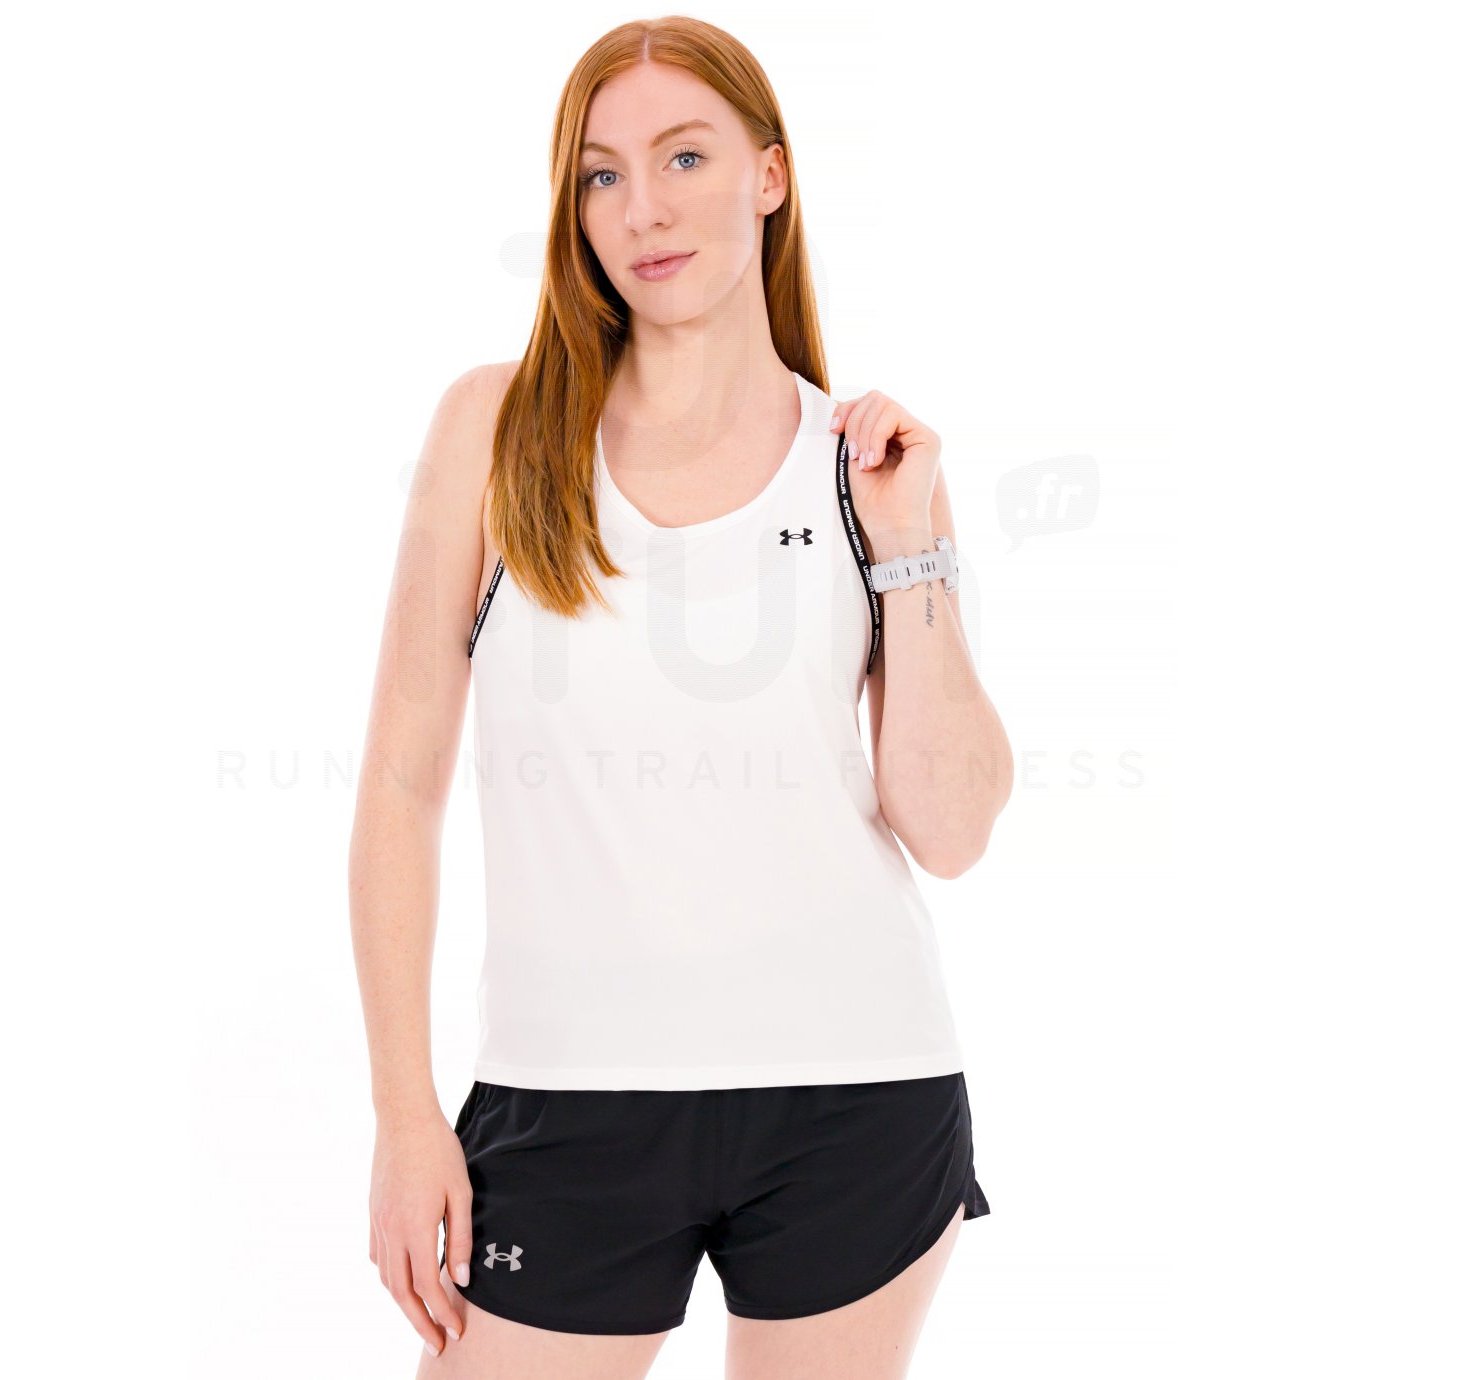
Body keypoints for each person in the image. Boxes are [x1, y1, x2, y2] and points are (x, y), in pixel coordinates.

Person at [351, 16, 1015, 1377]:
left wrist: (910, 542)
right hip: (565, 1098)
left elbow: (949, 831)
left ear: (769, 176)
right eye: (601, 173)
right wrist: (405, 1120)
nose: (641, 208)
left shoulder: (865, 464)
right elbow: (400, 785)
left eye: (684, 156)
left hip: (855, 1088)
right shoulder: (495, 430)